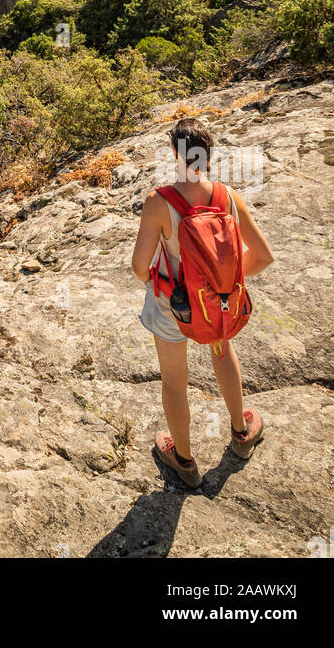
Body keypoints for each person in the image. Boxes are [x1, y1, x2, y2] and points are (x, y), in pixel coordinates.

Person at [131, 117, 274, 487]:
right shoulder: (227, 197)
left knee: (175, 383)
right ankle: (242, 433)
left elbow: (138, 267)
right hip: (216, 305)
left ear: (175, 155)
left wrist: (163, 288)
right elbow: (262, 256)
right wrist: (223, 286)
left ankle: (184, 461)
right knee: (223, 355)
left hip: (173, 308)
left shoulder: (159, 203)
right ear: (207, 155)